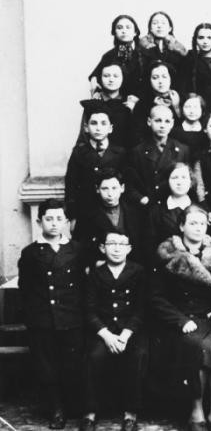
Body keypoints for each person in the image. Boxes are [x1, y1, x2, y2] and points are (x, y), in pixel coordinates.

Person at [150, 205, 211, 431]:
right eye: (192, 223)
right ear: (182, 226)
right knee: (195, 346)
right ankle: (197, 410)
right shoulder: (167, 255)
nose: (198, 228)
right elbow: (156, 298)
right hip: (181, 321)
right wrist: (180, 320)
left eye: (202, 223)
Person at [17, 199, 88, 429]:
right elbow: (25, 289)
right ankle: (56, 408)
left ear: (67, 222)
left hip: (72, 317)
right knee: (48, 366)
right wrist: (33, 318)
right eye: (49, 219)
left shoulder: (76, 249)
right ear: (40, 222)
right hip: (43, 319)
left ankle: (73, 405)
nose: (54, 224)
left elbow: (83, 285)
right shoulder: (30, 253)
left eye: (59, 219)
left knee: (72, 363)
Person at [79, 231, 147, 431]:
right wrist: (107, 335)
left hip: (130, 330)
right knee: (94, 355)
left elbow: (141, 309)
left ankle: (131, 414)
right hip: (103, 330)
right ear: (102, 248)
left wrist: (126, 334)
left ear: (129, 249)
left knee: (138, 355)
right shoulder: (95, 274)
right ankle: (89, 413)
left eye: (122, 244)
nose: (117, 248)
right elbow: (89, 309)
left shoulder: (138, 272)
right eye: (111, 244)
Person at [65, 100, 127, 230]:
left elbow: (126, 184)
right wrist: (73, 217)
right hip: (86, 212)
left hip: (113, 212)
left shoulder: (120, 153)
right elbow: (71, 186)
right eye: (94, 123)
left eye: (103, 123)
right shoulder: (79, 153)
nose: (98, 128)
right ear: (86, 127)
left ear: (110, 128)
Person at [73, 168, 145, 265]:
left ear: (122, 188)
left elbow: (143, 245)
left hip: (132, 268)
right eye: (105, 189)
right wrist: (93, 262)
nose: (110, 194)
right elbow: (79, 246)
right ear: (97, 189)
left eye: (114, 188)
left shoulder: (135, 213)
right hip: (101, 268)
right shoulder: (87, 216)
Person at [125, 104, 190, 207]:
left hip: (172, 206)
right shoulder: (138, 151)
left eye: (167, 121)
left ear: (172, 123)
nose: (162, 125)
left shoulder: (182, 150)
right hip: (148, 207)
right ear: (149, 122)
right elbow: (130, 184)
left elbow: (188, 181)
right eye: (158, 121)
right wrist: (142, 199)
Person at [88, 14, 147, 102]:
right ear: (114, 32)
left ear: (135, 32)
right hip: (117, 100)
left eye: (128, 27)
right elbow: (96, 75)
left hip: (142, 100)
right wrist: (94, 85)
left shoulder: (146, 54)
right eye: (119, 28)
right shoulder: (109, 55)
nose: (124, 31)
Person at [77, 63, 136, 149]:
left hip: (124, 155)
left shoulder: (128, 104)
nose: (111, 80)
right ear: (100, 78)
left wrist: (133, 111)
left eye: (116, 76)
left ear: (123, 78)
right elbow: (83, 136)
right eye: (106, 76)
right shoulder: (93, 103)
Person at [145, 163, 194, 265]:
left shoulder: (199, 210)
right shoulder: (156, 211)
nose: (179, 182)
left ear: (191, 181)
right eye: (175, 178)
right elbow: (150, 247)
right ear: (167, 181)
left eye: (184, 177)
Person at [176, 23, 211, 111]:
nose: (205, 41)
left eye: (209, 38)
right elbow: (182, 88)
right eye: (201, 38)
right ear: (196, 40)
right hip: (195, 109)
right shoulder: (189, 61)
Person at [132, 61, 182, 137]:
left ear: (170, 78)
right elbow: (138, 133)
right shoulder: (142, 104)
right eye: (155, 78)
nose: (160, 81)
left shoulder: (182, 98)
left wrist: (177, 108)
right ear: (149, 80)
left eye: (164, 77)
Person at [170, 93, 209, 161]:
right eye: (188, 107)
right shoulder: (174, 132)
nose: (192, 111)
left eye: (196, 107)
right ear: (182, 109)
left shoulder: (207, 131)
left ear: (202, 110)